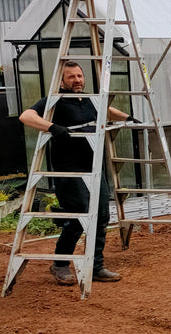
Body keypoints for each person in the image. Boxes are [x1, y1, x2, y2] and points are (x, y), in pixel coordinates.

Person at [19, 61, 132, 285]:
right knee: (79, 215)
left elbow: (107, 110)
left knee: (101, 216)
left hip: (94, 166)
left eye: (79, 76)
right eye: (71, 77)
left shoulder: (89, 100)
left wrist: (127, 118)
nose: (77, 80)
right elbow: (26, 116)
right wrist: (51, 127)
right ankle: (60, 264)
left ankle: (96, 266)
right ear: (62, 81)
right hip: (69, 169)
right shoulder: (55, 101)